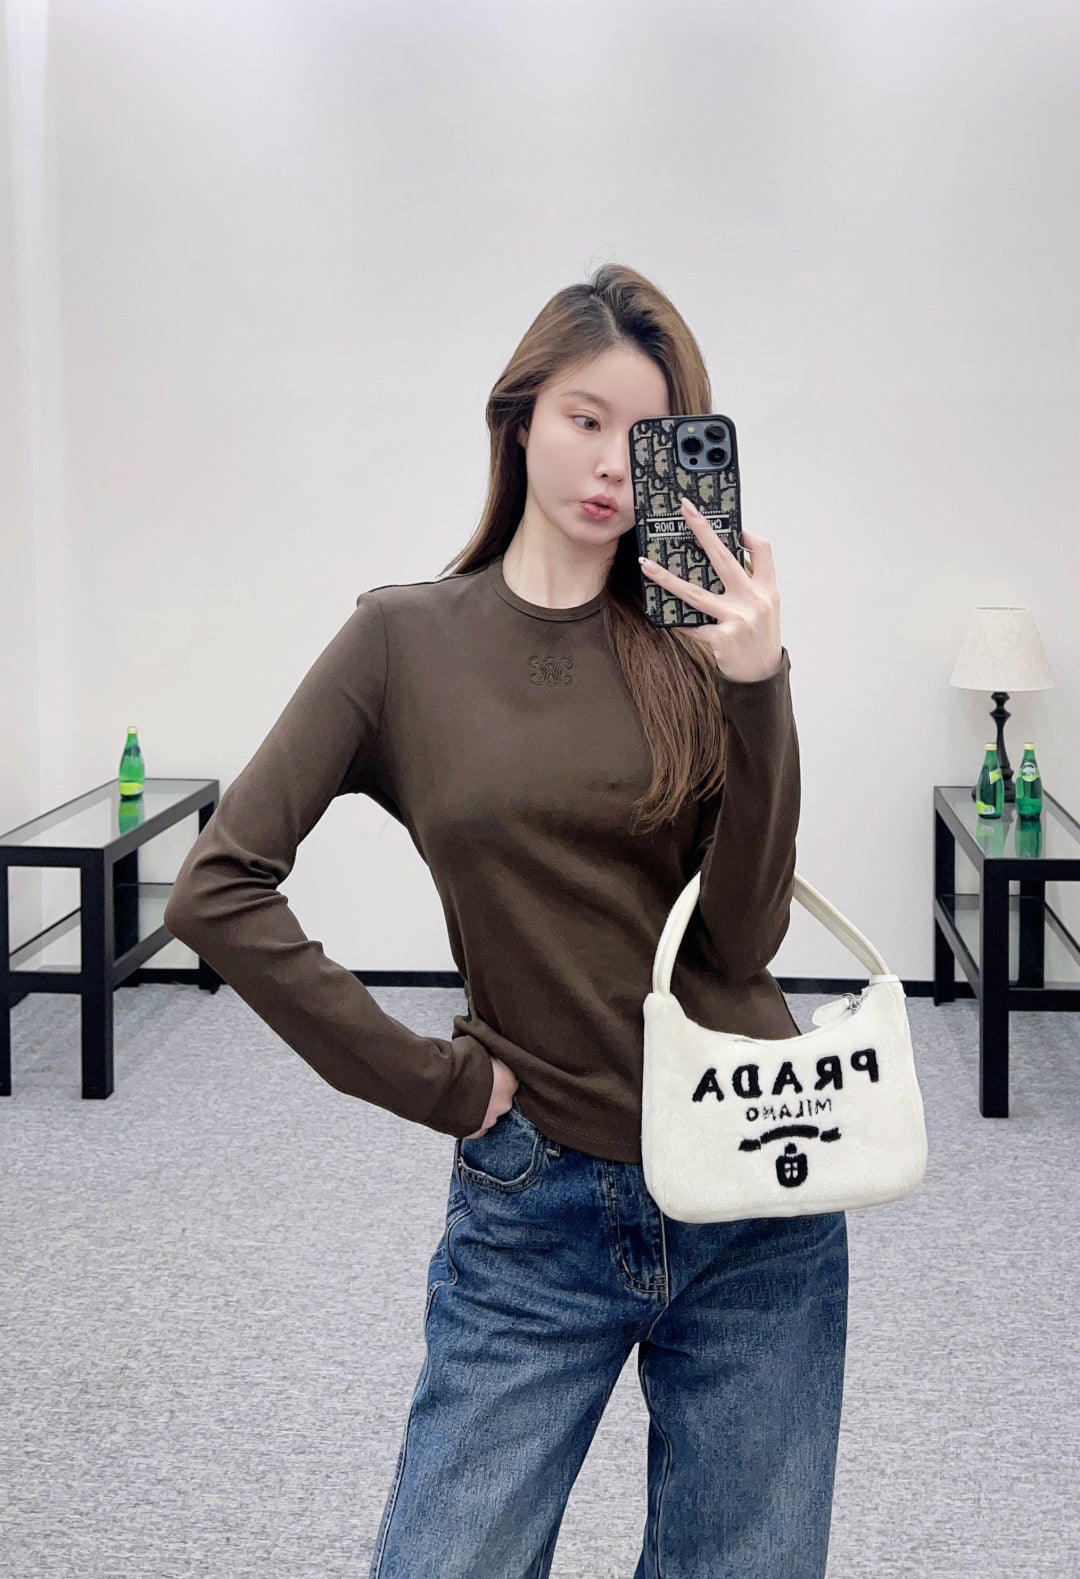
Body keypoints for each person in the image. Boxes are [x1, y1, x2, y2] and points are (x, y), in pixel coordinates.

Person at [163, 262, 847, 1579]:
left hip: (755, 1178)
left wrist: (759, 685)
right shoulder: (403, 642)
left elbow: (744, 939)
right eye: (585, 418)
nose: (611, 463)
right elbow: (220, 885)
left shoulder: (697, 650)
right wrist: (431, 1081)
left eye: (647, 437)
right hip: (541, 1202)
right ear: (521, 416)